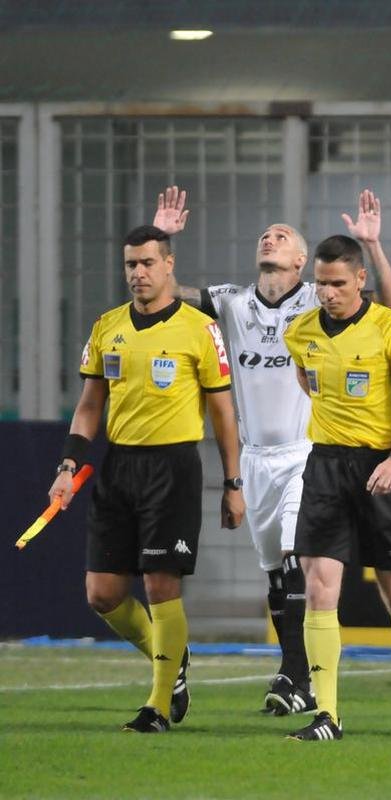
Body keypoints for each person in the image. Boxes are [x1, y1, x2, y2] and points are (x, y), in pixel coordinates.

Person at [154, 186, 391, 713]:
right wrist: (166, 239)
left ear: (299, 261)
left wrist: (372, 247)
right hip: (256, 458)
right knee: (275, 573)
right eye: (267, 234)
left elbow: (389, 307)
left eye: (284, 236)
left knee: (295, 559)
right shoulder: (231, 301)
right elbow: (165, 292)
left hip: (308, 452)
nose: (272, 236)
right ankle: (297, 673)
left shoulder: (320, 299)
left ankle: (297, 678)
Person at [49, 225, 243, 732]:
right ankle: (170, 659)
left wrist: (233, 483)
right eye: (131, 264)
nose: (138, 273)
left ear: (169, 265)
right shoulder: (107, 326)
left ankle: (157, 707)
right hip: (119, 467)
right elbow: (90, 405)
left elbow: (223, 414)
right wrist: (68, 466)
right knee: (102, 594)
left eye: (148, 263)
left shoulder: (199, 329)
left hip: (173, 468)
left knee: (161, 587)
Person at [281, 235, 391, 742]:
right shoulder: (300, 331)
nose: (327, 293)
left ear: (360, 279)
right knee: (320, 589)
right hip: (325, 467)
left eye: (338, 284)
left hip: (381, 468)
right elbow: (309, 383)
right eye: (321, 284)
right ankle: (328, 715)